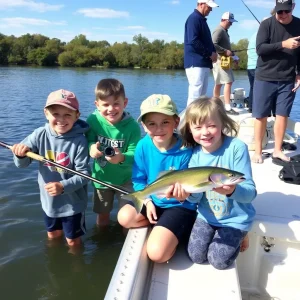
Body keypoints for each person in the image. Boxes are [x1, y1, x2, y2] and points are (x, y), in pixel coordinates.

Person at [178, 97, 256, 269]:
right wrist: (186, 195)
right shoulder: (194, 155)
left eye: (211, 125)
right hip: (207, 216)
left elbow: (250, 193)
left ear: (222, 124)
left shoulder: (237, 148)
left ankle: (242, 233)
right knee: (196, 256)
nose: (205, 132)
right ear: (190, 129)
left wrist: (232, 191)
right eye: (198, 127)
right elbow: (194, 200)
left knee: (218, 261)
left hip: (236, 219)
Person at [117, 94, 197, 263]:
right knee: (123, 217)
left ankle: (176, 232)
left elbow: (192, 188)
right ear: (144, 126)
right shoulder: (142, 145)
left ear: (176, 122)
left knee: (156, 254)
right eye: (151, 124)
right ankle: (161, 226)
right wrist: (147, 201)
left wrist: (183, 196)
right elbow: (139, 180)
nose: (158, 128)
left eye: (165, 122)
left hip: (179, 205)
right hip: (153, 199)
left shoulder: (186, 149)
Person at [11, 89, 90, 247]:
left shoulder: (80, 141)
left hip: (72, 205)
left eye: (67, 114)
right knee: (53, 236)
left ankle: (76, 267)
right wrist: (20, 155)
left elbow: (85, 174)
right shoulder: (39, 134)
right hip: (49, 203)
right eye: (56, 114)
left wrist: (63, 186)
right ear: (46, 113)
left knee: (73, 242)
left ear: (77, 116)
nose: (61, 119)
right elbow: (22, 164)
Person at [86, 78, 141, 227]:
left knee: (127, 218)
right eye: (105, 104)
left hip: (126, 180)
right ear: (97, 105)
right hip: (101, 179)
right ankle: (102, 243)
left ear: (125, 102)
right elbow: (88, 139)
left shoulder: (133, 127)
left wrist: (121, 158)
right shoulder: (93, 120)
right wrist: (91, 147)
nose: (111, 109)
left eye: (116, 103)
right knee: (102, 217)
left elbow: (134, 154)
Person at [252, 0, 300, 164]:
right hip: (265, 77)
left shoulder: (299, 24)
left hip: (288, 78)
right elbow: (260, 49)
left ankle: (277, 150)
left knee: (282, 115)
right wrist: (283, 44)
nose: (283, 15)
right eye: (279, 12)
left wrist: (299, 74)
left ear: (292, 7)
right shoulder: (266, 24)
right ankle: (258, 150)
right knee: (261, 115)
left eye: (286, 11)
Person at [184, 0, 218, 105]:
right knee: (195, 96)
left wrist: (214, 52)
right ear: (201, 4)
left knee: (202, 97)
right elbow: (193, 41)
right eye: (209, 7)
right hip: (196, 63)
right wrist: (209, 53)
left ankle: (198, 119)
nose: (211, 9)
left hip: (203, 63)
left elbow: (207, 41)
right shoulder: (194, 19)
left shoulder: (201, 20)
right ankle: (191, 120)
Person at [212, 12, 239, 115]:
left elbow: (227, 49)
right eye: (230, 22)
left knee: (219, 83)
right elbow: (213, 44)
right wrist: (224, 51)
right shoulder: (219, 30)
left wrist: (234, 56)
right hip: (219, 61)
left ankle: (215, 105)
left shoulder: (224, 31)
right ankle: (227, 107)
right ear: (223, 20)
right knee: (228, 82)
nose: (231, 24)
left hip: (223, 61)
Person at [246, 30, 258, 114]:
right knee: (259, 88)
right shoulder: (262, 35)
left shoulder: (253, 35)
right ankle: (256, 108)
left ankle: (251, 107)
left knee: (253, 87)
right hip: (257, 66)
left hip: (250, 65)